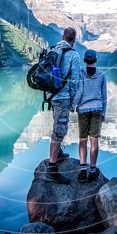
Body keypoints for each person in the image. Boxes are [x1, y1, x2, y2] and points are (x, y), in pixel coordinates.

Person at [46, 27, 82, 184]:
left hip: (51, 95)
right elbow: (74, 81)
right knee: (60, 130)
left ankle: (58, 153)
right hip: (63, 97)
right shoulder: (73, 54)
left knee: (56, 123)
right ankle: (52, 168)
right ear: (73, 40)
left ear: (62, 37)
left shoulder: (52, 50)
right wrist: (73, 101)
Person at [72, 49, 107, 183]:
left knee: (82, 140)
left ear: (84, 61)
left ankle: (82, 171)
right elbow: (104, 97)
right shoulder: (102, 74)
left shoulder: (80, 73)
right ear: (96, 61)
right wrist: (104, 113)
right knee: (94, 140)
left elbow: (79, 91)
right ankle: (92, 170)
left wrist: (74, 105)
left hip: (83, 109)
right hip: (97, 108)